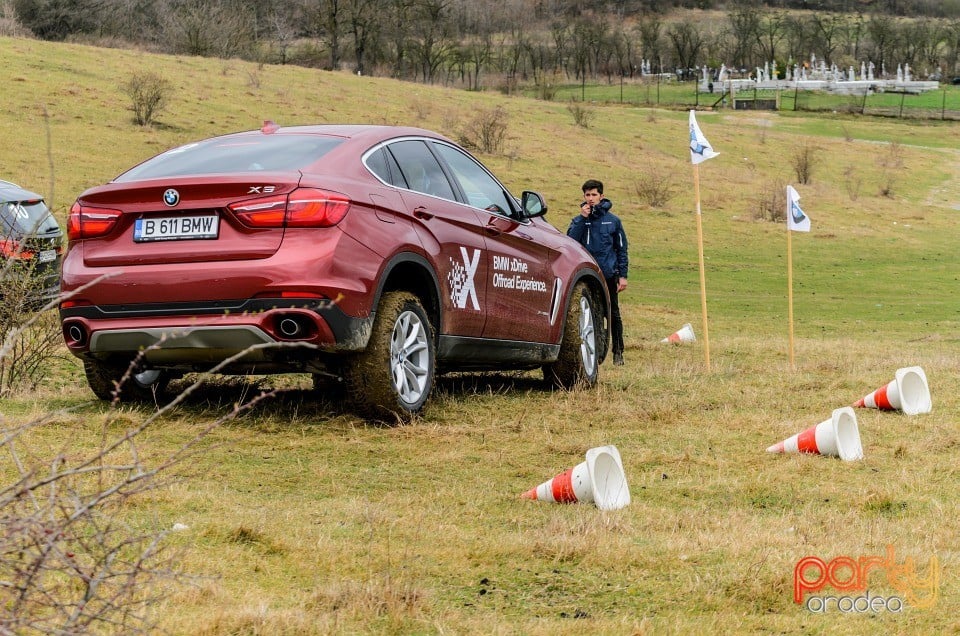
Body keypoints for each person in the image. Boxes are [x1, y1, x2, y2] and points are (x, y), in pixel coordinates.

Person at [567, 179, 628, 366]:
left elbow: (621, 249)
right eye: (588, 195)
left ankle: (618, 352)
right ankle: (594, 352)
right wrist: (581, 219)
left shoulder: (613, 221)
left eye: (594, 195)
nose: (591, 198)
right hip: (587, 274)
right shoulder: (578, 221)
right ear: (584, 196)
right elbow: (569, 242)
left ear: (601, 196)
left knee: (613, 313)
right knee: (591, 313)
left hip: (608, 274)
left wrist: (623, 276)